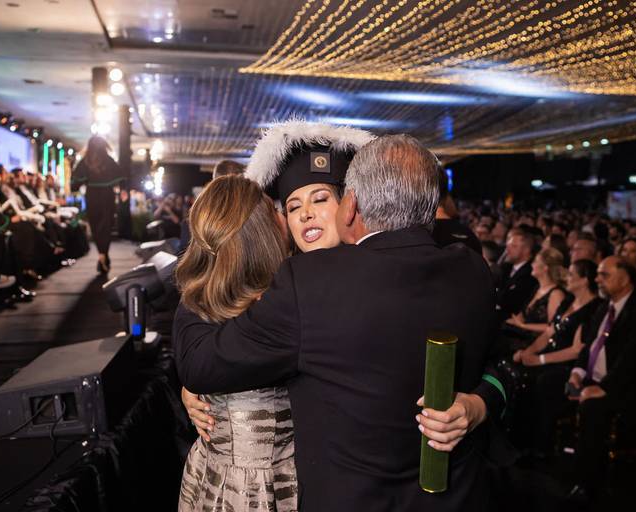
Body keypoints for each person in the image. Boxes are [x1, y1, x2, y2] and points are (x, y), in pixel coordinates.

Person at [174, 134, 510, 511]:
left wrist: (193, 285)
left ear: (348, 207)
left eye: (320, 199)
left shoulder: (306, 286)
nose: (306, 213)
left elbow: (202, 361)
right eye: (293, 206)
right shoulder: (469, 267)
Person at [175, 176, 296, 511]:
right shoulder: (283, 309)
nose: (285, 217)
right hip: (250, 488)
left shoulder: (200, 301)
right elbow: (199, 366)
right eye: (276, 211)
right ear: (261, 234)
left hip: (225, 472)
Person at [565, 256, 636, 501]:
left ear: (625, 278)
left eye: (604, 274)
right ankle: (547, 454)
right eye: (598, 274)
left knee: (592, 408)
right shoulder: (604, 307)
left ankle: (587, 483)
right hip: (596, 378)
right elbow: (589, 347)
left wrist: (604, 388)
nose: (598, 279)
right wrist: (577, 373)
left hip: (629, 385)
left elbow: (634, 358)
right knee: (550, 382)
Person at [512, 259, 603, 455]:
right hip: (548, 355)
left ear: (584, 280)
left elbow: (577, 350)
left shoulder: (594, 308)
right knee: (513, 370)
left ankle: (540, 446)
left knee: (543, 381)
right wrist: (529, 353)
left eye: (571, 274)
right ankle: (518, 439)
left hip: (567, 364)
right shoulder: (568, 300)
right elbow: (548, 333)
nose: (566, 278)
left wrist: (540, 360)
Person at [71, 136, 126, 274]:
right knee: (105, 227)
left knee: (96, 227)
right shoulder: (108, 160)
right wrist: (123, 190)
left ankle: (102, 255)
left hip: (92, 196)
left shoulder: (86, 161)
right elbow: (121, 176)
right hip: (107, 196)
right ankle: (104, 255)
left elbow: (75, 183)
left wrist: (75, 187)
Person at [504, 247, 568, 344]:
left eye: (535, 262)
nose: (532, 265)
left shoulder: (556, 294)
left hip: (535, 342)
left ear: (545, 267)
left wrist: (523, 326)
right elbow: (523, 315)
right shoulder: (536, 288)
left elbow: (552, 327)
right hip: (520, 336)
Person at [496, 227, 538, 321]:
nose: (507, 250)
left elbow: (512, 301)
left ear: (526, 250)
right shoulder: (505, 268)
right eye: (508, 246)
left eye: (514, 246)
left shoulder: (531, 273)